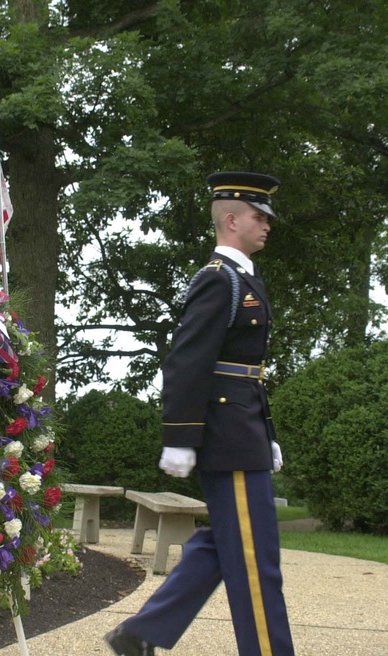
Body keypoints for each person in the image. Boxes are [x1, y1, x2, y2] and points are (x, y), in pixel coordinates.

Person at [104, 172, 294, 656]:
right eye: (258, 216)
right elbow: (188, 361)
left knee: (223, 545)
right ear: (231, 220)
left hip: (242, 432)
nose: (267, 225)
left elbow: (245, 371)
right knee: (255, 559)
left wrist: (265, 432)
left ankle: (141, 633)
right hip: (227, 437)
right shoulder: (218, 280)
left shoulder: (244, 277)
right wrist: (180, 436)